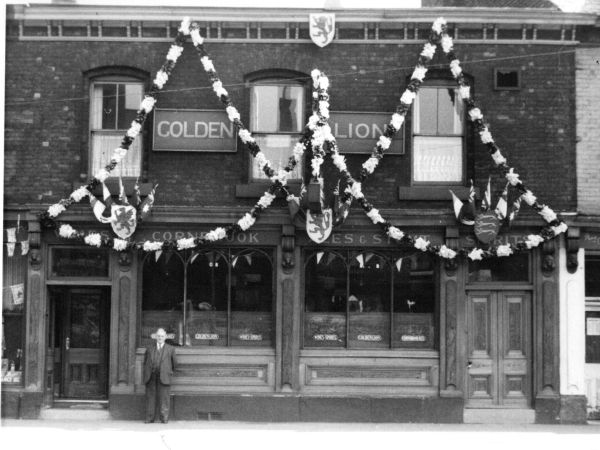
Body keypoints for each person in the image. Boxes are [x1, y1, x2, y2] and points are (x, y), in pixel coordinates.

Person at [143, 327, 176, 423]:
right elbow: (145, 362)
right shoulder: (149, 348)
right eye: (158, 336)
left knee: (164, 398)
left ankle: (164, 418)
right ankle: (149, 418)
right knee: (150, 398)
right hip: (151, 376)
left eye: (162, 336)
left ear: (165, 337)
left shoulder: (171, 349)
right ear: (155, 337)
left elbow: (174, 364)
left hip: (164, 376)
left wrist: (168, 372)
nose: (160, 338)